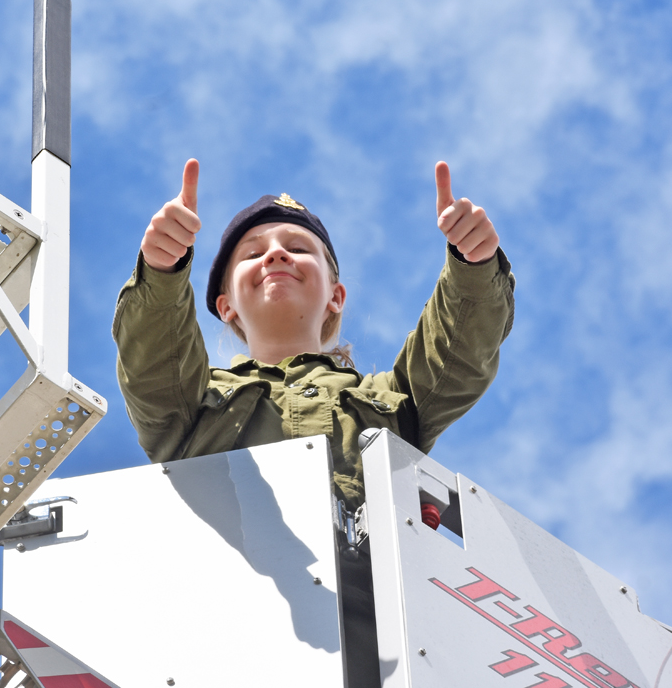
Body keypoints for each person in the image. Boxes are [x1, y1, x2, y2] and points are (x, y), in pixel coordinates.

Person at [112, 158, 514, 685]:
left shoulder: (392, 398)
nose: (276, 253)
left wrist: (473, 266)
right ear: (225, 305)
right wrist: (162, 275)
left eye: (298, 248)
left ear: (335, 295)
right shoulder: (193, 401)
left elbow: (457, 353)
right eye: (253, 253)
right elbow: (152, 363)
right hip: (229, 642)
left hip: (381, 645)